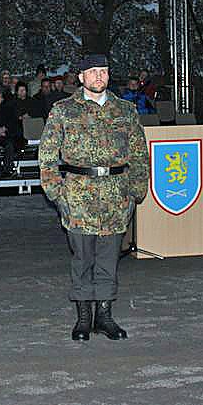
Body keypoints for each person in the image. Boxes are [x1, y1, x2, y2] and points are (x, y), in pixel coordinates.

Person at [38, 53, 148, 341]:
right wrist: (55, 191)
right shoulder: (63, 110)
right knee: (83, 258)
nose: (99, 76)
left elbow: (139, 153)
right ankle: (83, 318)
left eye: (104, 71)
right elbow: (47, 155)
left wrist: (136, 190)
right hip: (78, 196)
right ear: (82, 77)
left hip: (115, 195)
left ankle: (105, 315)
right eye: (93, 72)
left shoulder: (125, 110)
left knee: (109, 258)